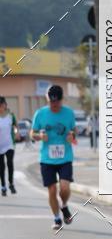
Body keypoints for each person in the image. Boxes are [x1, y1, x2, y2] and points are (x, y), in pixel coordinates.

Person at [31, 85, 77, 230]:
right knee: (52, 190)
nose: (54, 105)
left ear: (62, 100)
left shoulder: (69, 113)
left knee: (64, 187)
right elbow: (32, 133)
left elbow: (73, 131)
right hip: (46, 159)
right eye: (51, 102)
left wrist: (72, 136)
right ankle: (57, 219)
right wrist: (39, 136)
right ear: (47, 99)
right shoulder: (40, 114)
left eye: (56, 102)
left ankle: (64, 205)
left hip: (65, 157)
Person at [0, 97, 18, 195]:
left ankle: (11, 183)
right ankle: (3, 186)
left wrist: (16, 133)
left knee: (10, 163)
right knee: (1, 167)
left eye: (3, 105)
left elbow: (15, 126)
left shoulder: (11, 115)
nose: (1, 107)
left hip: (9, 144)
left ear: (5, 105)